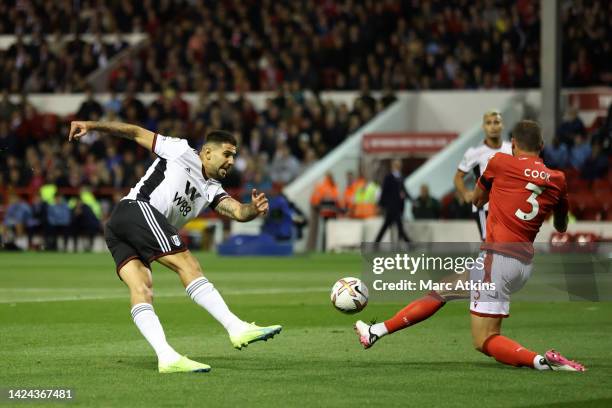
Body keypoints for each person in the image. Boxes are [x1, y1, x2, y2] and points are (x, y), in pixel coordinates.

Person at [355, 120, 585, 371]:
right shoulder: (557, 179)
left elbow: (476, 200)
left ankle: (542, 361)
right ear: (541, 146)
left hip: (497, 261)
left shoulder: (500, 162)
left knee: (484, 339)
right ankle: (375, 331)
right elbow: (561, 225)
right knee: (442, 290)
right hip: (522, 265)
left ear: (514, 144)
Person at [68, 121, 281, 373]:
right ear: (207, 152)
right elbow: (136, 133)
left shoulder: (212, 189)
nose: (232, 161)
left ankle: (166, 357)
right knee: (188, 265)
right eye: (227, 154)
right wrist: (92, 126)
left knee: (142, 288)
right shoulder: (180, 150)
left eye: (234, 156)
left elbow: (238, 211)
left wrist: (253, 210)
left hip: (118, 227)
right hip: (137, 209)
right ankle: (236, 327)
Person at [454, 110, 512, 241]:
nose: (493, 126)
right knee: (490, 243)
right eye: (489, 123)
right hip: (484, 206)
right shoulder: (474, 152)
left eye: (496, 122)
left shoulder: (511, 149)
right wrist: (465, 193)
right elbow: (458, 177)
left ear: (502, 125)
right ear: (483, 127)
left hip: (507, 206)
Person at [374, 159, 410, 244]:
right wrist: (380, 204)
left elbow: (404, 190)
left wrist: (411, 200)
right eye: (396, 165)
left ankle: (376, 243)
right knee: (399, 225)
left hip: (398, 206)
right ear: (393, 166)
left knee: (387, 225)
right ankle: (408, 243)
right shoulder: (389, 177)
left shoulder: (401, 177)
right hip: (391, 206)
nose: (398, 167)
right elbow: (384, 191)